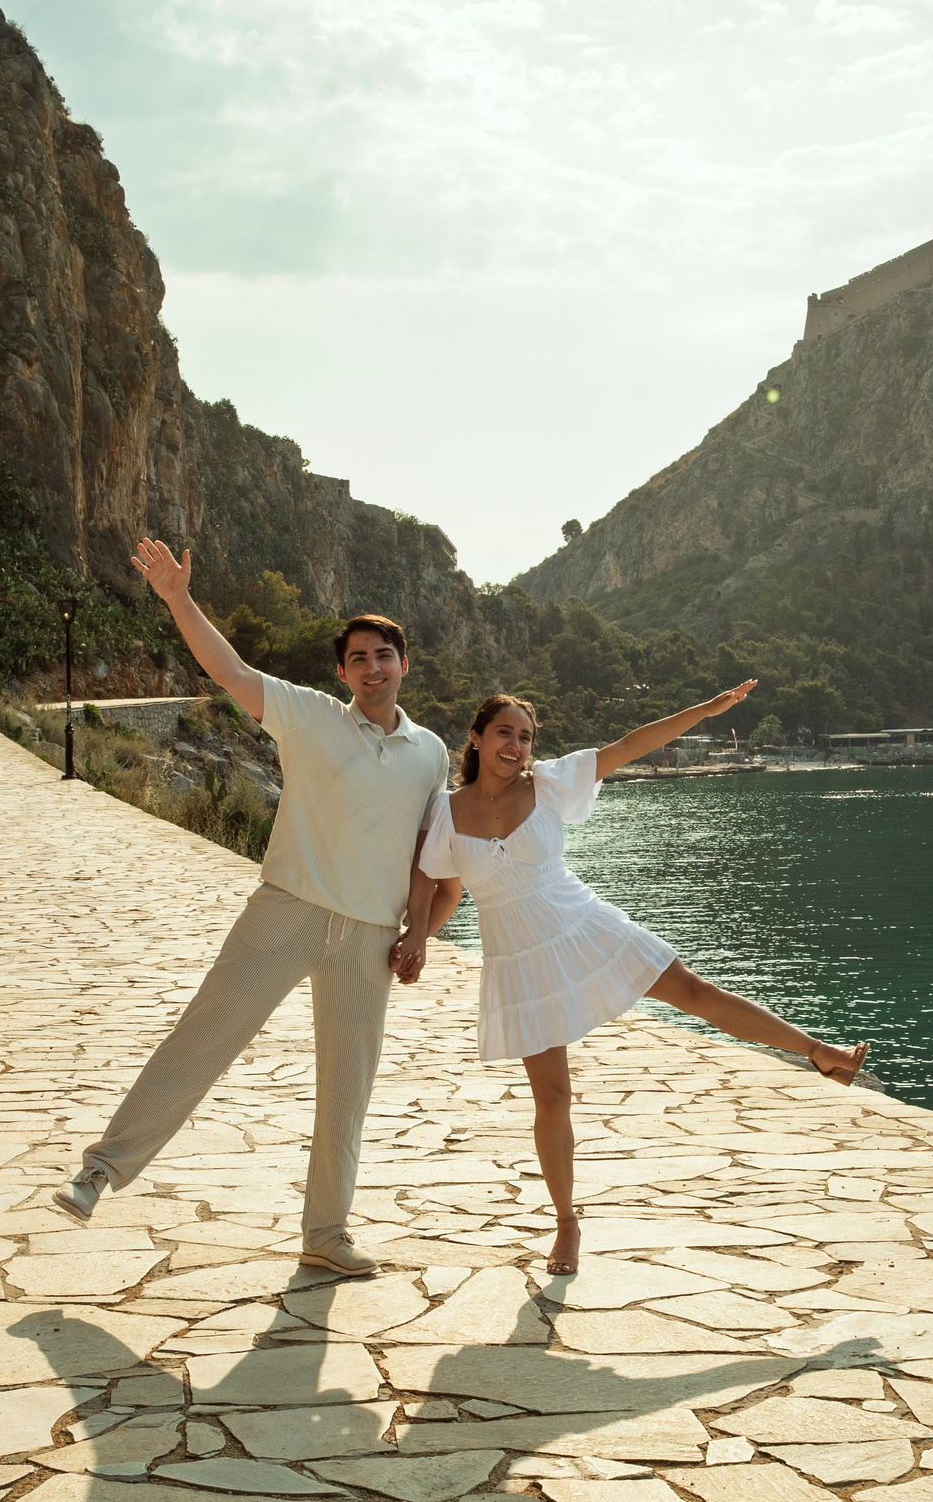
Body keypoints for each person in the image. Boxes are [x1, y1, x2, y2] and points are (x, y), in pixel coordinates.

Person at [49, 539, 449, 1277]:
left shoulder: (432, 753)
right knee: (201, 1038)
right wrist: (177, 598)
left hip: (369, 936)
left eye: (383, 654)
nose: (371, 666)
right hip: (287, 911)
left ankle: (325, 1234)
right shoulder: (309, 715)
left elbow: (428, 854)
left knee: (348, 1090)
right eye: (357, 657)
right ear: (341, 671)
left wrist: (419, 934)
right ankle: (99, 1171)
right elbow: (229, 670)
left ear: (403, 662)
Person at [397, 684, 869, 1276]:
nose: (516, 745)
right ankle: (567, 1221)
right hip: (518, 958)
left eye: (525, 736)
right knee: (552, 1097)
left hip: (583, 925)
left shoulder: (549, 783)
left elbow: (629, 746)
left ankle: (817, 1051)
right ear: (476, 736)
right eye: (504, 733)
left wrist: (703, 711)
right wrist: (417, 936)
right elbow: (434, 881)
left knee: (696, 994)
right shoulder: (444, 809)